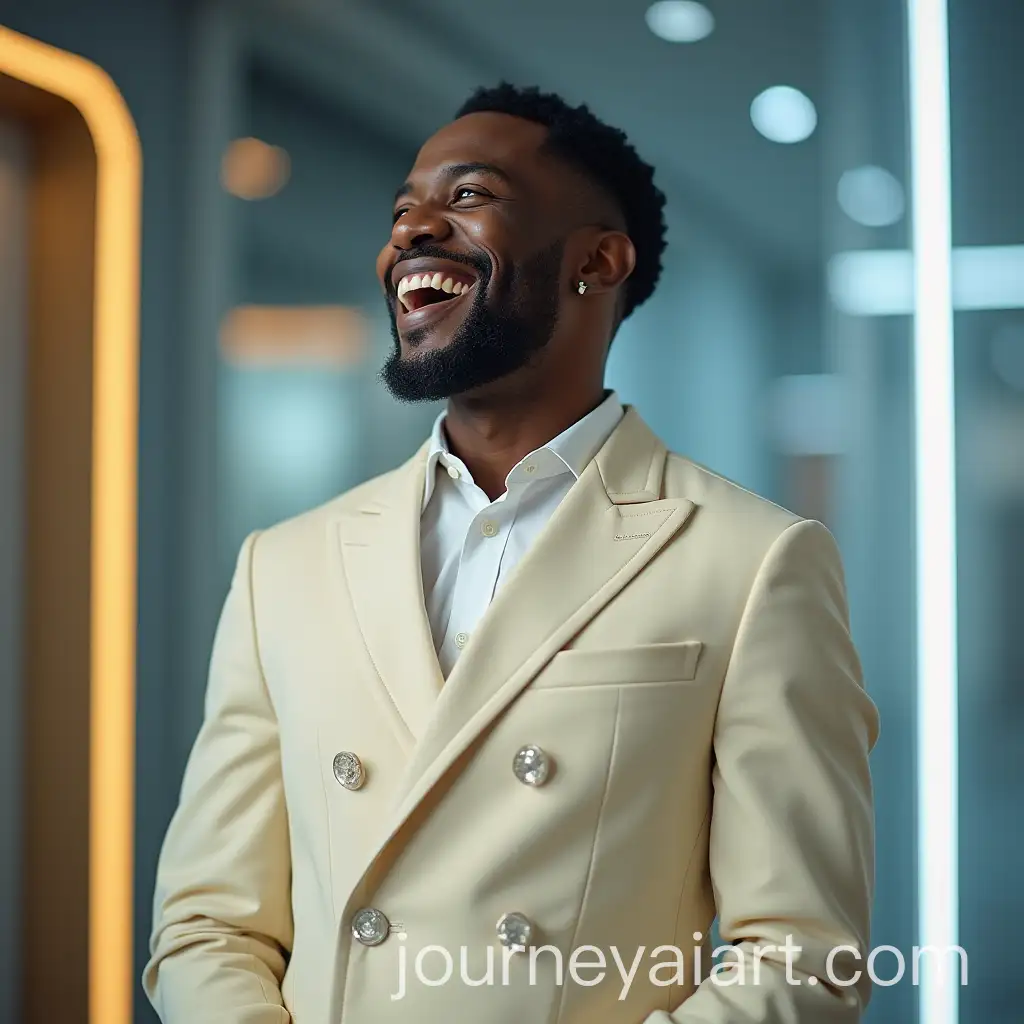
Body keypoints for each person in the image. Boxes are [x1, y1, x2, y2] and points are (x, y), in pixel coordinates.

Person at [145, 83, 880, 1023]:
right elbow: (209, 921)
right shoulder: (282, 565)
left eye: (468, 196)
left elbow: (802, 958)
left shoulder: (756, 561)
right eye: (403, 209)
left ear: (598, 260)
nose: (413, 229)